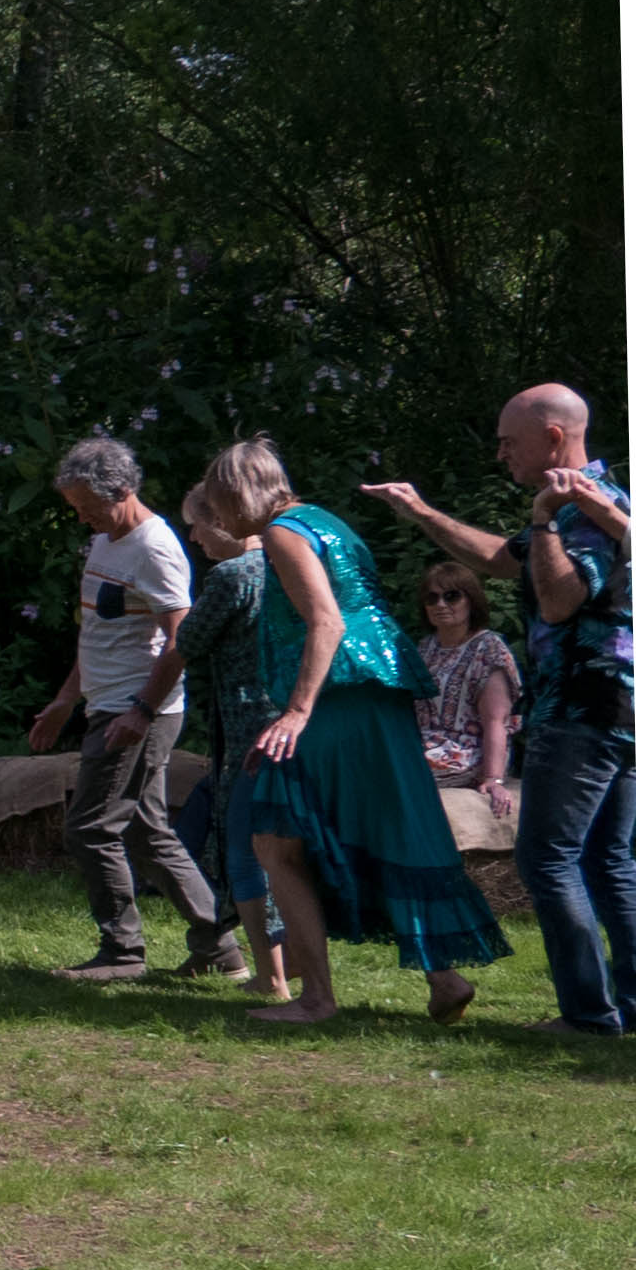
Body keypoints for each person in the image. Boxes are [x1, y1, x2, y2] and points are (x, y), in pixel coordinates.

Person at [362, 383, 635, 1033]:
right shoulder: (579, 505)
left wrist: (542, 521)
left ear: (552, 437)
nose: (500, 454)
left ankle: (588, 1015)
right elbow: (502, 561)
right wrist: (420, 512)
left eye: (509, 442)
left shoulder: (589, 509)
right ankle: (625, 1007)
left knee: (546, 858)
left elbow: (558, 603)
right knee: (608, 862)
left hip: (584, 711)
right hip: (612, 711)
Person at [206, 439, 510, 1025]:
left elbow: (327, 622)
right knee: (382, 823)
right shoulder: (324, 520)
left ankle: (317, 998)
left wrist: (295, 712)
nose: (218, 519)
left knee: (274, 839)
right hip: (375, 690)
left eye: (219, 504)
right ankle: (444, 978)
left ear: (239, 494)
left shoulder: (282, 533)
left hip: (338, 694)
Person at [26, 437, 236, 983]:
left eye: (88, 506)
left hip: (137, 711)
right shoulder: (105, 542)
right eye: (76, 507)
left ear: (121, 490)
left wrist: (141, 711)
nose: (82, 517)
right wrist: (66, 698)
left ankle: (121, 952)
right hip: (109, 705)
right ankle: (220, 949)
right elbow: (98, 631)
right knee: (146, 833)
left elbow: (181, 641)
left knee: (90, 827)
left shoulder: (155, 549)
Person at [117, 489, 296, 1001]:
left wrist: (143, 706)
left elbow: (185, 642)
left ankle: (272, 978)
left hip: (248, 734)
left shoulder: (232, 576)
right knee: (282, 853)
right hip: (291, 724)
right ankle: (290, 965)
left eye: (198, 525)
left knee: (244, 854)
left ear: (223, 520)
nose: (193, 538)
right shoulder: (290, 565)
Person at [408, 562, 521, 821]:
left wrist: (493, 779)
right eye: (432, 598)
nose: (440, 604)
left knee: (401, 772)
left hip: (464, 751)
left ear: (471, 600)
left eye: (451, 596)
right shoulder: (426, 647)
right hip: (423, 743)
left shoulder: (488, 648)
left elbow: (496, 721)